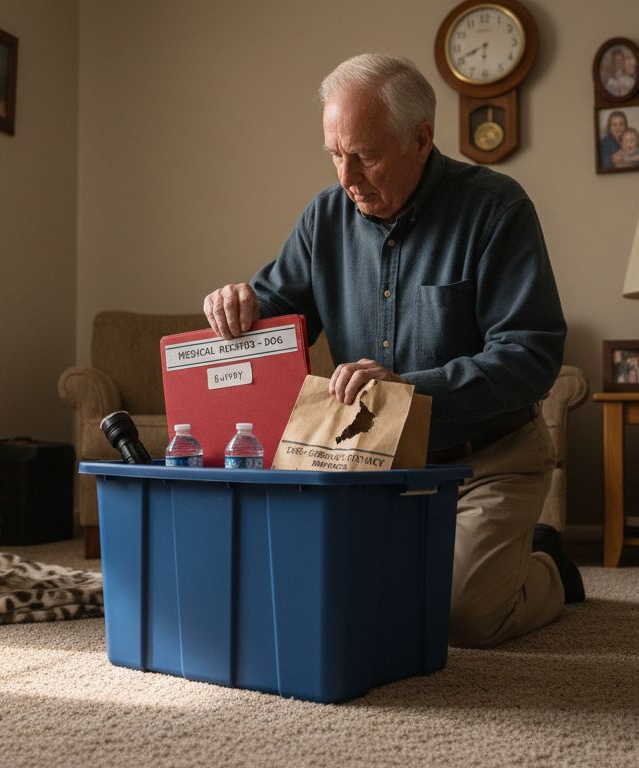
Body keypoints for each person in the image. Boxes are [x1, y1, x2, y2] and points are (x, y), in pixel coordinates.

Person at [202, 54, 582, 649]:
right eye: (335, 154)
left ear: (421, 139)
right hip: (368, 462)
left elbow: (531, 356)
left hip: (487, 460)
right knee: (309, 589)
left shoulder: (496, 207)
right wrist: (238, 304)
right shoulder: (325, 217)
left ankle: (548, 563)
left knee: (462, 617)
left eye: (365, 155)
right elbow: (276, 316)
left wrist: (411, 390)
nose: (347, 176)